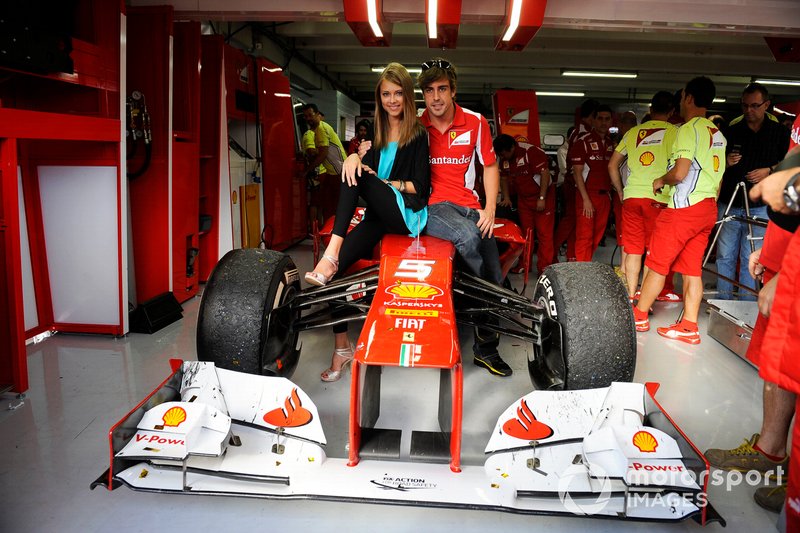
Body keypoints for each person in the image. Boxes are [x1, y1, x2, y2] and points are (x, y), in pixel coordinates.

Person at [304, 63, 431, 382]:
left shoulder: (417, 134)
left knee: (355, 173)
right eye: (386, 94)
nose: (392, 100)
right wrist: (354, 157)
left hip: (406, 215)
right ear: (380, 98)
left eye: (398, 93)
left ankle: (329, 254)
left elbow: (422, 188)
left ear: (407, 96)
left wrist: (388, 184)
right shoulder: (377, 132)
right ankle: (342, 347)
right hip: (378, 216)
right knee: (331, 278)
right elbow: (363, 173)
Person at [704, 116, 800, 514]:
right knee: (780, 367)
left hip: (794, 269)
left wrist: (790, 271)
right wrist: (774, 253)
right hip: (785, 258)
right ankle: (771, 451)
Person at [417, 58, 511, 377]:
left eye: (442, 88)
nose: (436, 97)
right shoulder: (415, 125)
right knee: (469, 239)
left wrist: (490, 210)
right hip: (429, 208)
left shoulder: (475, 121)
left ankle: (486, 350)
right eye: (429, 90)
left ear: (453, 90)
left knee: (495, 279)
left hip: (469, 208)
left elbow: (490, 165)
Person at [632, 76, 726, 343]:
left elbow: (681, 171)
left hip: (683, 209)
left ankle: (638, 316)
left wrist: (662, 179)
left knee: (656, 265)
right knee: (693, 270)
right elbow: (718, 180)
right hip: (707, 207)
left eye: (683, 96)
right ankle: (689, 326)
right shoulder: (717, 133)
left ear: (688, 98)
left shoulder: (688, 129)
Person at [715, 83, 789, 300]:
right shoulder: (730, 130)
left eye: (755, 106)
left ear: (766, 105)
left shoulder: (780, 133)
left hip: (761, 206)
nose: (749, 111)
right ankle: (723, 301)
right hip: (730, 202)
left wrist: (770, 170)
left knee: (752, 257)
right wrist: (726, 162)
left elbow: (792, 164)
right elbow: (714, 164)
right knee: (725, 256)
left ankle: (746, 306)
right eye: (745, 106)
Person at [609, 92, 676, 299]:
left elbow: (612, 165)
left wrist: (621, 191)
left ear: (650, 109)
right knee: (653, 252)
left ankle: (630, 295)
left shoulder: (633, 133)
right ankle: (646, 299)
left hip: (631, 197)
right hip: (659, 198)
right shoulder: (676, 132)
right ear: (672, 112)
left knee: (633, 249)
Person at [494, 134, 554, 274]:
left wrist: (541, 197)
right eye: (500, 155)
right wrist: (507, 197)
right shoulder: (503, 158)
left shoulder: (531, 152)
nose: (503, 157)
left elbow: (545, 174)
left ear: (513, 147)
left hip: (543, 196)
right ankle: (524, 265)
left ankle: (544, 267)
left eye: (504, 153)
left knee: (544, 234)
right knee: (526, 234)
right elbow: (503, 178)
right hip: (523, 199)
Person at [554, 100, 598, 262]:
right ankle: (554, 249)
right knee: (571, 219)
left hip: (575, 183)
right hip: (574, 184)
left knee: (577, 222)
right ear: (592, 116)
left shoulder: (579, 131)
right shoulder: (583, 134)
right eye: (598, 117)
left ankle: (571, 254)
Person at [569, 104, 614, 262]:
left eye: (607, 119)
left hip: (605, 197)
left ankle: (585, 266)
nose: (603, 122)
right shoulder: (583, 142)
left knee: (597, 236)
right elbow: (577, 173)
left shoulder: (611, 144)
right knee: (584, 237)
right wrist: (586, 199)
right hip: (587, 196)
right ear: (593, 121)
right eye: (600, 118)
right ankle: (582, 273)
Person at [303, 104, 347, 224]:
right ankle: (328, 232)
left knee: (332, 207)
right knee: (326, 205)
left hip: (340, 173)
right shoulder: (317, 130)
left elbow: (322, 154)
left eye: (310, 115)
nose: (308, 119)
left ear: (318, 115)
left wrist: (307, 171)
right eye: (305, 116)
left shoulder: (321, 129)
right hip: (332, 173)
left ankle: (333, 235)